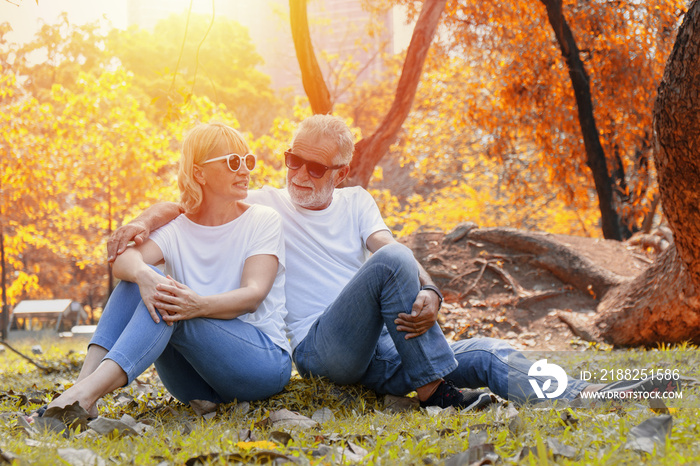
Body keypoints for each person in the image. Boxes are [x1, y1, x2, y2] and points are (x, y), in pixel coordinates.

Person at [107, 115, 678, 408]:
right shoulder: (264, 203)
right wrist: (148, 215)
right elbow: (192, 197)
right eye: (292, 161)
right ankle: (435, 396)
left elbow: (390, 251)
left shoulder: (358, 204)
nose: (299, 175)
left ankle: (603, 392)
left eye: (315, 167)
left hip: (387, 346)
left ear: (341, 172)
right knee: (400, 265)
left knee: (489, 355)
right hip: (321, 347)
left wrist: (430, 292)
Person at [33, 122, 292, 420]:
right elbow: (122, 261)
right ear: (199, 173)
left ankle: (80, 397)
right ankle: (81, 392)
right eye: (233, 162)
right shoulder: (176, 230)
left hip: (260, 366)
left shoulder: (262, 220)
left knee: (168, 302)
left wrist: (197, 305)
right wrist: (145, 276)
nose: (245, 170)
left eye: (248, 161)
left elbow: (253, 295)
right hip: (193, 382)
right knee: (139, 282)